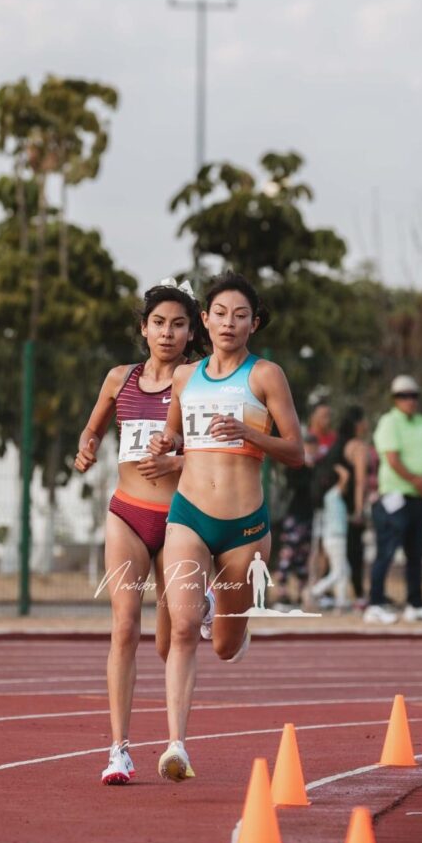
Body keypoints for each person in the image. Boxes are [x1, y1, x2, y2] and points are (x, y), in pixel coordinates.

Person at [149, 271, 304, 781]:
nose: (228, 323)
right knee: (184, 629)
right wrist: (164, 448)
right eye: (219, 314)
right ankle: (176, 745)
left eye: (240, 316)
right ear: (205, 319)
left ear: (253, 323)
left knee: (223, 646)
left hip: (244, 527)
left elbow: (297, 453)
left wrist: (248, 434)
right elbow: (175, 437)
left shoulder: (266, 376)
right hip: (189, 516)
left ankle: (234, 624)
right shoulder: (185, 377)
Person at [74, 279, 204, 785]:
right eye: (158, 323)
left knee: (171, 641)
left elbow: (216, 458)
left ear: (191, 331)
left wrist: (176, 462)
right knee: (125, 626)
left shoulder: (197, 381)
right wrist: (86, 448)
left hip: (180, 520)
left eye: (177, 324)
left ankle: (175, 742)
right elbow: (93, 430)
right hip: (126, 513)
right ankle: (119, 751)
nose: (167, 333)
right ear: (143, 329)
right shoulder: (118, 378)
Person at [364, 375, 422, 625]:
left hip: (418, 498)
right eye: (403, 396)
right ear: (394, 399)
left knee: (416, 553)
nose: (409, 401)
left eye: (413, 396)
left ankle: (415, 604)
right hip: (394, 497)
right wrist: (419, 481)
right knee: (386, 552)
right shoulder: (389, 422)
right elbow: (392, 459)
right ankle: (375, 605)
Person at [319, 406, 370, 608]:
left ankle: (336, 596)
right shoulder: (357, 447)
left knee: (337, 559)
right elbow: (360, 481)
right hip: (348, 510)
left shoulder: (337, 446)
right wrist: (358, 510)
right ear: (357, 424)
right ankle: (357, 595)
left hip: (334, 511)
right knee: (354, 554)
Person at [272, 433, 318, 610]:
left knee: (302, 556)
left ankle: (299, 593)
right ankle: (281, 593)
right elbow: (292, 485)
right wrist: (304, 466)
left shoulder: (316, 466)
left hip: (308, 516)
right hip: (294, 514)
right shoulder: (295, 465)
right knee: (289, 553)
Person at [310, 464, 351, 610]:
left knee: (344, 570)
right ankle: (315, 591)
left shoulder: (330, 498)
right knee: (338, 571)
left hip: (333, 537)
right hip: (336, 538)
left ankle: (341, 601)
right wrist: (338, 467)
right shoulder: (332, 494)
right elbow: (345, 477)